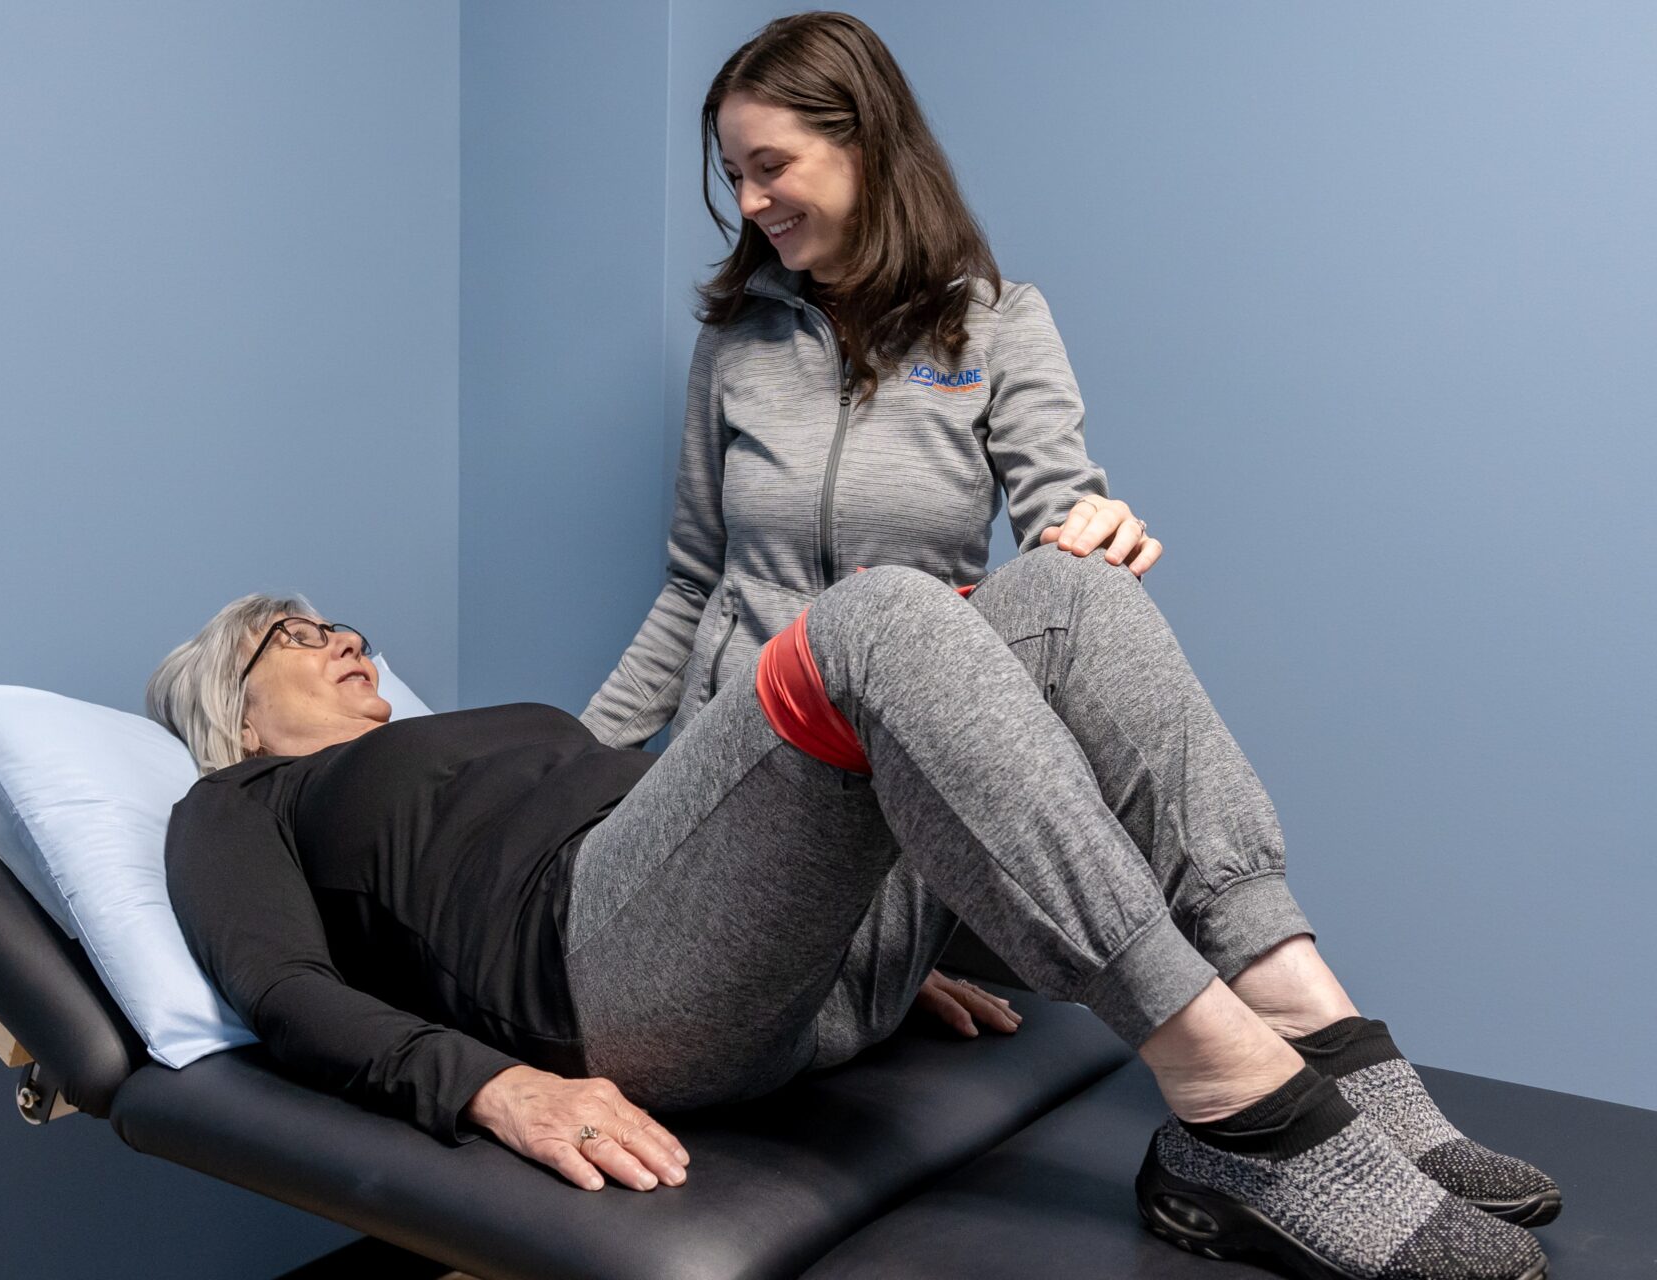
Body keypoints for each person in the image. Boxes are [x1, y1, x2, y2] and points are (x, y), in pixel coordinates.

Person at [149, 552, 1558, 1280]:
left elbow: (708, 827)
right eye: (292, 635)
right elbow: (277, 989)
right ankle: (1242, 1120)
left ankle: (1307, 1018)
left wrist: (862, 927)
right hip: (608, 985)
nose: (340, 639)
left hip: (732, 947)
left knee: (1068, 595)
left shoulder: (476, 728)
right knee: (873, 618)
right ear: (230, 710)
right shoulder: (233, 810)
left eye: (337, 623)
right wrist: (496, 1088)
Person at [579, 10, 1158, 1038]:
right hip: (731, 765)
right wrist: (573, 763)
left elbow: (1059, 520)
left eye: (771, 165)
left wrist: (1097, 526)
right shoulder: (737, 343)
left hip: (890, 798)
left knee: (830, 1008)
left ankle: (1254, 1028)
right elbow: (687, 587)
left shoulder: (997, 323)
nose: (751, 203)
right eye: (734, 173)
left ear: (863, 143)